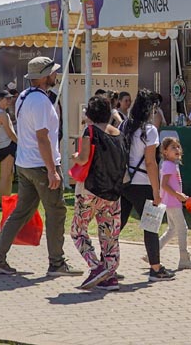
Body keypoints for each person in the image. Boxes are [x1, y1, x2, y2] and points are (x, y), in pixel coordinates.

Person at [0, 56, 81, 277]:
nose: (56, 75)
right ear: (45, 76)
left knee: (21, 211)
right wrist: (51, 170)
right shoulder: (40, 101)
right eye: (53, 72)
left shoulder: (24, 97)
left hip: (25, 162)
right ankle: (56, 263)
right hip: (39, 164)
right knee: (56, 211)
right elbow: (42, 138)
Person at [71, 96, 129, 290]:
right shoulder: (119, 134)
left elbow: (84, 158)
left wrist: (75, 157)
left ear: (89, 113)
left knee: (78, 231)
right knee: (109, 235)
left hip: (90, 189)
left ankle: (96, 266)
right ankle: (110, 276)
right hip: (113, 192)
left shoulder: (90, 131)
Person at [120, 88, 175, 281]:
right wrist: (156, 190)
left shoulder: (125, 126)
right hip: (143, 182)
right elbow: (151, 162)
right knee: (151, 226)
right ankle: (156, 268)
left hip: (124, 182)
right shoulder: (149, 130)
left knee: (117, 224)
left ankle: (105, 264)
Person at [157, 137, 191, 270]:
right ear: (165, 152)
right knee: (182, 229)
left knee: (172, 229)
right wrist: (178, 195)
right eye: (173, 147)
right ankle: (184, 259)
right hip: (172, 202)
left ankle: (152, 253)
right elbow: (164, 185)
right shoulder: (169, 165)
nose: (177, 149)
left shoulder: (171, 165)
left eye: (178, 146)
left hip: (171, 202)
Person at [0, 90, 17, 203]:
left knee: (8, 175)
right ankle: (3, 201)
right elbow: (10, 133)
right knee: (6, 176)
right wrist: (20, 143)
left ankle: (6, 199)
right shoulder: (1, 114)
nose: (9, 101)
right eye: (7, 99)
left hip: (1, 146)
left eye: (10, 99)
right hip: (6, 146)